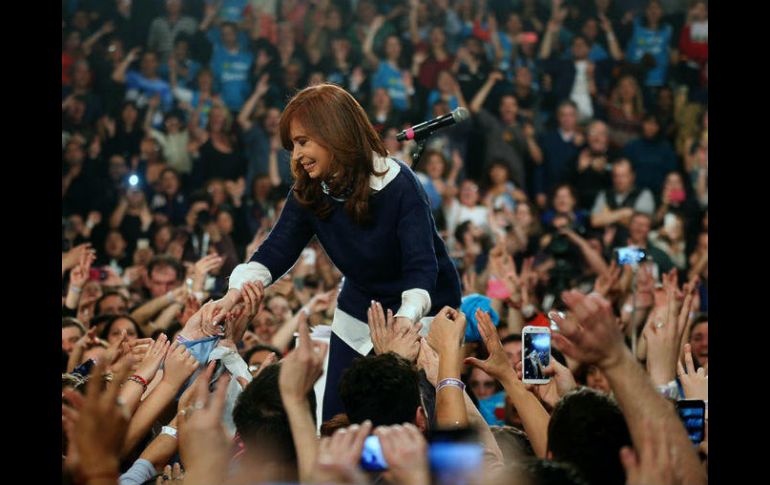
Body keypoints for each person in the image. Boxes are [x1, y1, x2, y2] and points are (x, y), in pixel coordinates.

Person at [182, 83, 462, 421]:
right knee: (335, 420)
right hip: (362, 308)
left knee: (421, 419)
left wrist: (404, 322)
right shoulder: (310, 189)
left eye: (302, 142)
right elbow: (277, 248)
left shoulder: (399, 184)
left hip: (422, 311)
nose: (296, 155)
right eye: (292, 146)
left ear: (335, 134)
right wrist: (234, 293)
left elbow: (422, 269)